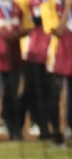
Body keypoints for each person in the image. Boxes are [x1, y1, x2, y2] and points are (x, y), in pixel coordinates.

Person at [0, 0, 31, 141]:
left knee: (12, 97)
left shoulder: (18, 8)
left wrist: (18, 34)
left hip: (13, 60)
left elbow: (27, 28)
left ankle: (14, 131)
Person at [22, 0, 59, 140]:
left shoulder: (57, 4)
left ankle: (51, 127)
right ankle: (41, 127)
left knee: (50, 94)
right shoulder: (32, 3)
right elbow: (31, 21)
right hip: (35, 54)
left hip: (53, 54)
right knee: (36, 93)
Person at [44, 0, 72, 146]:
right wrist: (67, 7)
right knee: (54, 98)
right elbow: (59, 31)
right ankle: (56, 134)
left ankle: (70, 129)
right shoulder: (48, 7)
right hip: (57, 58)